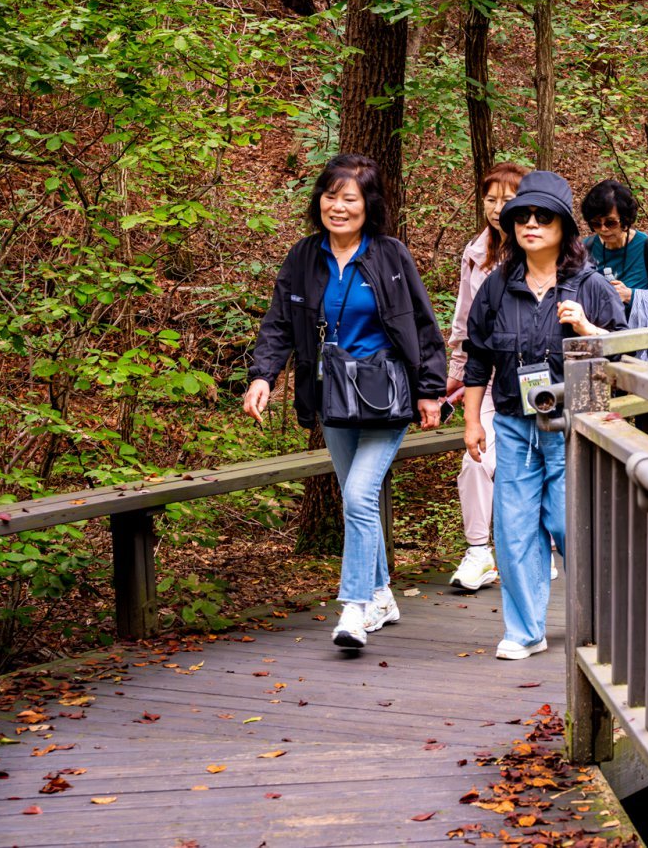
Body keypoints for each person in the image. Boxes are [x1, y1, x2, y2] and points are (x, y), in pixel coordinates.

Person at [244, 154, 446, 649]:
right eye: (330, 196)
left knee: (357, 497)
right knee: (359, 501)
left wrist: (431, 388)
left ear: (368, 205)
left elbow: (422, 323)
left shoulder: (389, 255)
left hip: (384, 396)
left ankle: (353, 608)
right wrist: (263, 376)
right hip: (331, 397)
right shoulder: (304, 257)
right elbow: (277, 324)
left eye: (349, 198)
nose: (337, 206)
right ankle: (381, 592)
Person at [461, 172, 626, 659]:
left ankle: (597, 621)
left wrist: (585, 326)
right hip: (513, 423)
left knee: (567, 523)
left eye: (543, 217)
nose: (531, 224)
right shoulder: (496, 286)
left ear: (564, 228)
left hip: (573, 426)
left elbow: (619, 356)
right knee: (513, 528)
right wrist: (473, 421)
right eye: (522, 217)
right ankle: (525, 630)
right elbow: (477, 358)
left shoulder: (591, 286)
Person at [446, 161, 530, 591]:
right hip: (486, 375)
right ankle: (479, 551)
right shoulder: (475, 252)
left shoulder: (537, 247)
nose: (498, 208)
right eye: (491, 199)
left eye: (508, 200)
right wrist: (456, 375)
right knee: (477, 459)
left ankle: (537, 546)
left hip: (533, 375)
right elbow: (463, 321)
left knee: (530, 460)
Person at [582, 179, 648, 319]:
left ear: (625, 219)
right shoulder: (585, 249)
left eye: (610, 222)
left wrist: (630, 295)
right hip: (597, 333)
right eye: (596, 224)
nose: (603, 229)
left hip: (640, 336)